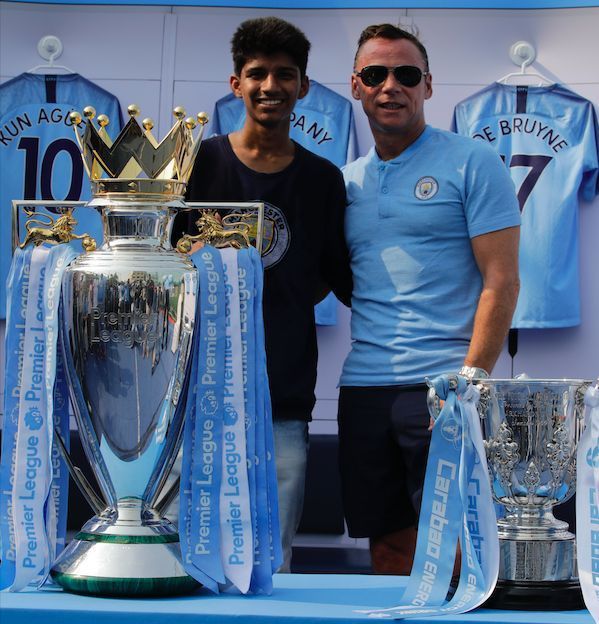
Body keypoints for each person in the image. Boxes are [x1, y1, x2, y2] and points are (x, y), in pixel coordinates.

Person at [338, 23, 521, 575]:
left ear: (428, 86)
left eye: (406, 74)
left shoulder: (473, 162)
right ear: (356, 86)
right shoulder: (344, 182)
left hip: (445, 385)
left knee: (460, 548)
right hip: (364, 388)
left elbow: (503, 280)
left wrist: (470, 381)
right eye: (376, 74)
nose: (390, 86)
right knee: (389, 549)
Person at [172, 16, 352, 573]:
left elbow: (327, 274)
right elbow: (168, 265)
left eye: (284, 74)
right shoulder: (196, 164)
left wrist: (276, 294)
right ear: (236, 84)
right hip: (195, 396)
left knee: (269, 559)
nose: (270, 86)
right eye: (257, 74)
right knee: (187, 554)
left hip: (283, 397)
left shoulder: (323, 179)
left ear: (302, 85)